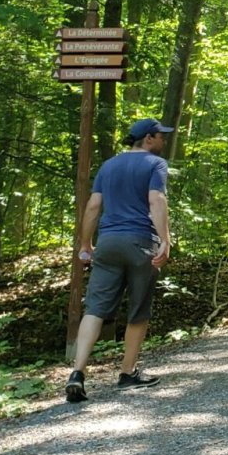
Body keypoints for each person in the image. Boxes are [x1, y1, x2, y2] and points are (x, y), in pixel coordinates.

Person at [65, 118, 173, 403]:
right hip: (140, 242)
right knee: (138, 309)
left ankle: (77, 373)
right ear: (149, 139)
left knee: (95, 309)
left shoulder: (108, 165)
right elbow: (156, 201)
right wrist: (165, 239)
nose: (164, 141)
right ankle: (127, 373)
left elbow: (93, 206)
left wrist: (86, 244)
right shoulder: (155, 165)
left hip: (108, 243)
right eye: (161, 136)